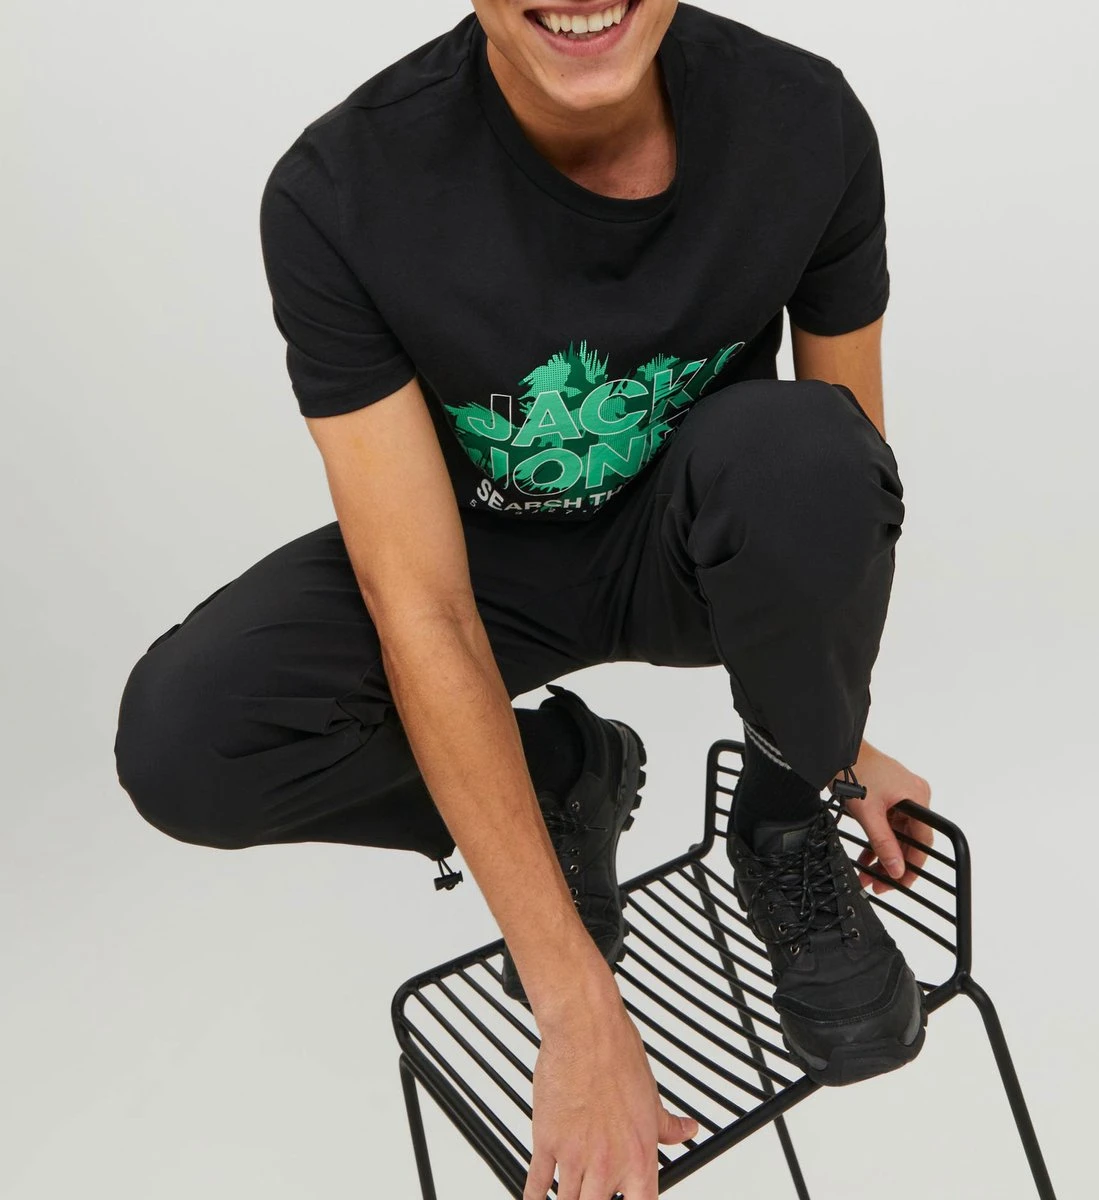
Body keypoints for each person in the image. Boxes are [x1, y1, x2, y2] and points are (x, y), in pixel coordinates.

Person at [112, 2, 936, 1197]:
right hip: (475, 570)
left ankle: (777, 825)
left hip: (691, 546)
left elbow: (851, 481)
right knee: (189, 740)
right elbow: (422, 605)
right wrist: (575, 1003)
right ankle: (563, 775)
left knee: (812, 449)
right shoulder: (342, 191)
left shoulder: (803, 119)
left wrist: (830, 736)